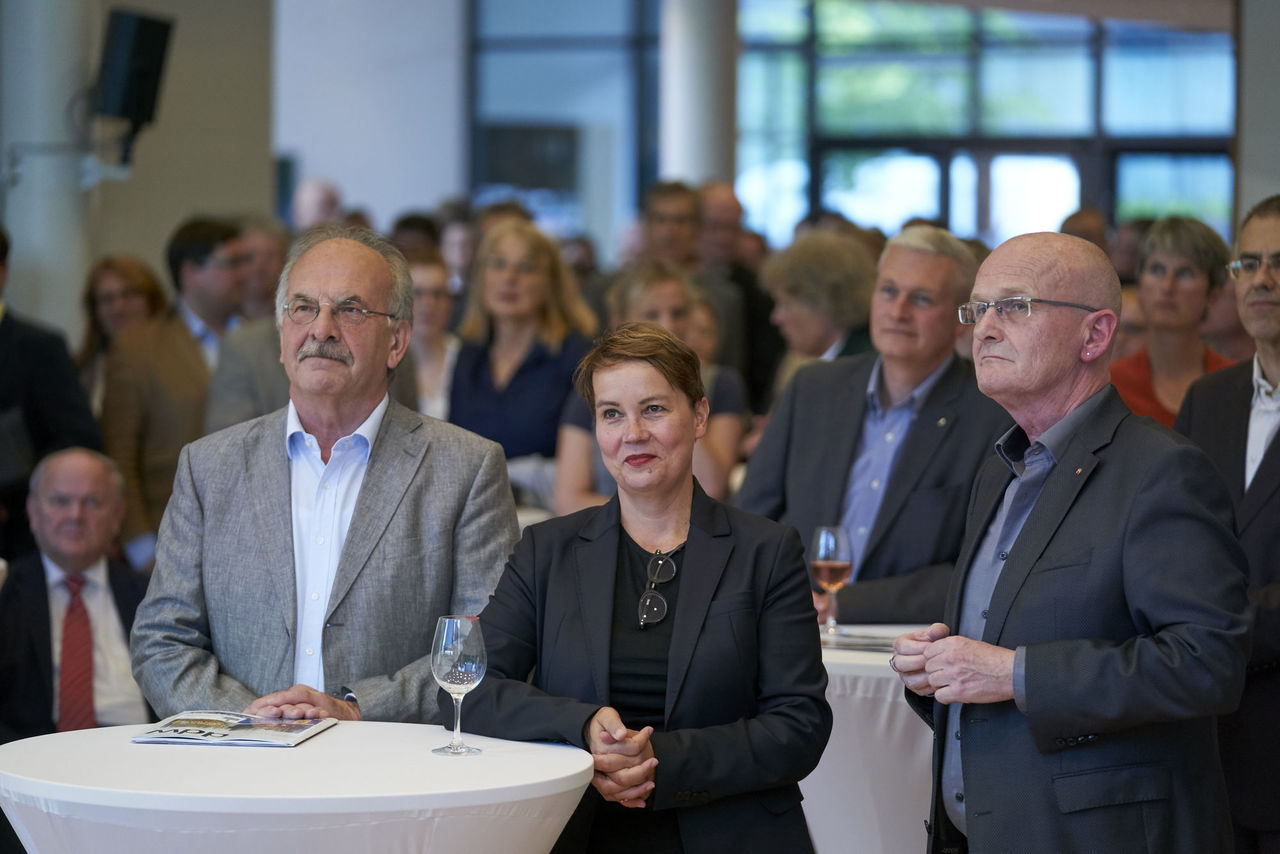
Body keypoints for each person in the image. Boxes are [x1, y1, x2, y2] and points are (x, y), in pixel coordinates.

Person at [892, 232, 1251, 853]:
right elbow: (999, 654)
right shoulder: (1000, 468)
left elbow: (1208, 664)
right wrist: (942, 669)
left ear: (1096, 335)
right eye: (977, 309)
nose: (985, 329)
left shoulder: (1159, 471)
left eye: (1015, 306)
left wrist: (1014, 673)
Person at [455, 323, 831, 853]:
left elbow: (799, 725)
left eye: (653, 409)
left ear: (699, 416)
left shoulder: (765, 550)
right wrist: (582, 726)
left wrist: (658, 763)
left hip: (728, 832)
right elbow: (474, 687)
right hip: (576, 830)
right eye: (612, 414)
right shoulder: (547, 549)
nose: (632, 433)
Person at [130, 224, 519, 723]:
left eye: (350, 310)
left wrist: (355, 710)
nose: (322, 329)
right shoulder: (209, 467)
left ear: (397, 342)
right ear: (281, 335)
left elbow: (484, 645)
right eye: (303, 308)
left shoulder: (466, 469)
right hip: (242, 770)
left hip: (391, 774)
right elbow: (162, 640)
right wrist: (254, 720)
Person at [737, 226, 1008, 624]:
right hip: (788, 627)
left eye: (922, 298)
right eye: (888, 291)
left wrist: (839, 607)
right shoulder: (812, 389)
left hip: (908, 646)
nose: (898, 312)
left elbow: (980, 570)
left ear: (960, 321)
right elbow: (750, 524)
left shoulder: (993, 416)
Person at [1175, 194, 1280, 853]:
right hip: (1201, 742)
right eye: (1250, 262)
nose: (1263, 279)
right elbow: (1177, 540)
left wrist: (1210, 626)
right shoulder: (1208, 398)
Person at [0, 448, 152, 853]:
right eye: (61, 501)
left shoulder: (153, 597)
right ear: (33, 512)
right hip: (30, 779)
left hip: (140, 772)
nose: (75, 516)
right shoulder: (5, 594)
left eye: (93, 502)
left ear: (118, 515)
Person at [102, 217, 248, 571]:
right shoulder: (139, 348)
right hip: (170, 543)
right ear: (190, 272)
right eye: (232, 264)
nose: (245, 274)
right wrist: (141, 548)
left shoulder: (265, 340)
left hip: (251, 542)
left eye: (247, 262)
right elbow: (120, 453)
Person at [554, 261, 746, 511]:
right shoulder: (595, 387)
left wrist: (680, 383)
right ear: (619, 321)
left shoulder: (721, 382)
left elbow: (713, 488)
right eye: (651, 315)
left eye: (679, 313)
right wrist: (645, 520)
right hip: (609, 537)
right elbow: (568, 498)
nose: (669, 325)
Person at [450, 220, 596, 508]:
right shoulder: (470, 352)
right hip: (471, 511)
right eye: (499, 264)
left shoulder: (576, 353)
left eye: (526, 268)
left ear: (551, 283)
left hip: (547, 514)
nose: (510, 278)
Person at [0, 226, 102, 563]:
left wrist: (16, 496)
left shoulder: (39, 348)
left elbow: (76, 439)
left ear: (3, 273)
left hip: (16, 541)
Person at [1109, 216, 1234, 427]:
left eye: (1185, 273)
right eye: (1157, 270)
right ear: (1140, 282)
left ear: (1213, 293)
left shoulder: (1236, 384)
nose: (1167, 287)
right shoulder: (1110, 385)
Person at [74, 254, 168, 415]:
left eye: (129, 294)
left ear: (152, 301)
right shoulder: (80, 370)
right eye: (107, 299)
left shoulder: (179, 358)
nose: (118, 308)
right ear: (94, 310)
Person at [405, 250, 460, 421]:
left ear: (450, 301)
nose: (428, 304)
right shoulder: (383, 361)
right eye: (418, 293)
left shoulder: (468, 359)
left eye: (438, 294)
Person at [238, 215, 289, 321]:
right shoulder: (216, 318)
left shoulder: (294, 317)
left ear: (285, 261)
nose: (259, 266)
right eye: (249, 256)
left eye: (270, 256)